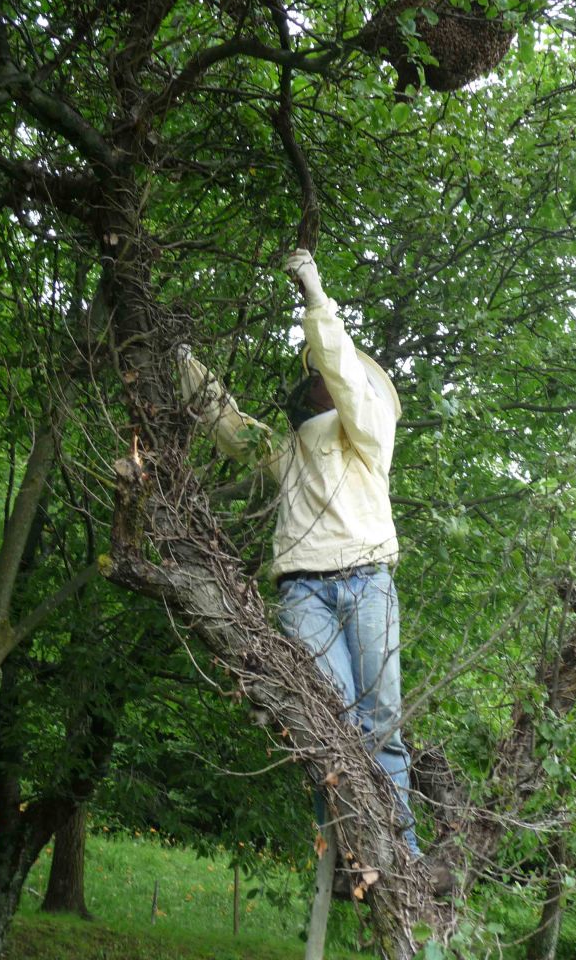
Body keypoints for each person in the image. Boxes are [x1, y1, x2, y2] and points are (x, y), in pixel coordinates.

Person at [176, 248, 420, 860]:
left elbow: (345, 373)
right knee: (325, 721)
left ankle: (402, 855)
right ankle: (347, 848)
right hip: (305, 589)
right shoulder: (290, 453)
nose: (316, 381)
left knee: (381, 722)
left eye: (323, 373)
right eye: (314, 375)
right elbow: (231, 427)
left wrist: (314, 293)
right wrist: (182, 362)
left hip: (367, 580)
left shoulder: (369, 434)